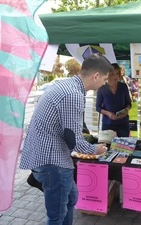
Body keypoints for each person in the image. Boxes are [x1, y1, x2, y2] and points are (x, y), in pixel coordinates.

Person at [19, 54, 113, 225]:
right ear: (96, 76)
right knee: (57, 214)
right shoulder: (73, 94)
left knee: (71, 199)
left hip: (48, 156)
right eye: (105, 79)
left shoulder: (66, 84)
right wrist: (96, 150)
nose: (105, 83)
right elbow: (73, 139)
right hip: (52, 161)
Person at [96, 63, 132, 137]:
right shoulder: (101, 89)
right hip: (108, 124)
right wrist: (108, 113)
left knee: (123, 147)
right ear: (107, 75)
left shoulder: (123, 87)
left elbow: (129, 103)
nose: (115, 77)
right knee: (106, 146)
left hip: (123, 124)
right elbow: (98, 107)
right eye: (112, 74)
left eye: (117, 74)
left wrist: (126, 111)